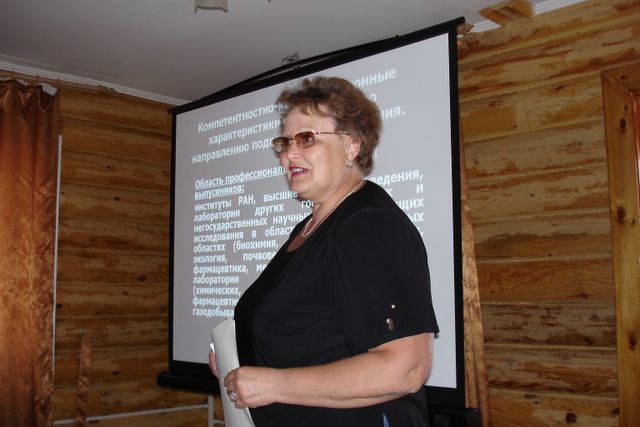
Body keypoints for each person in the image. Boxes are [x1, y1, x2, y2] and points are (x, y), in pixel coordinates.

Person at [209, 76, 439, 426]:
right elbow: (313, 338)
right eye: (284, 142)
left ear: (351, 145)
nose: (289, 153)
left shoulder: (369, 224)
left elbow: (405, 368)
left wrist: (273, 384)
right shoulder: (308, 229)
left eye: (306, 138)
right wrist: (237, 360)